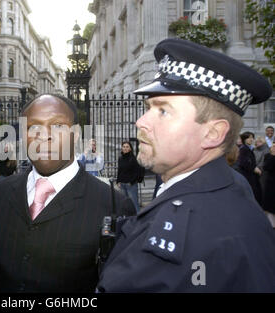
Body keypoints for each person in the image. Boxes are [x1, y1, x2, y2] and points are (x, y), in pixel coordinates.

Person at [97, 38, 275, 292]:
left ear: (213, 133)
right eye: (148, 107)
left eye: (163, 111)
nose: (141, 122)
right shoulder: (231, 187)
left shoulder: (192, 235)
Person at [0, 94, 135, 292]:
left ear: (75, 135)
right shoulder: (0, 192)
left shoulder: (113, 204)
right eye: (33, 127)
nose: (45, 135)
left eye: (58, 126)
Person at [236, 131, 262, 204]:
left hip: (249, 174)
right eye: (249, 138)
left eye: (252, 138)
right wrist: (254, 168)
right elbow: (243, 163)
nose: (251, 139)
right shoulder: (244, 149)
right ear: (244, 139)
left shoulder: (248, 148)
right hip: (247, 175)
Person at [116, 141, 141, 212]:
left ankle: (138, 220)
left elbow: (137, 172)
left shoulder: (133, 159)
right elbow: (119, 170)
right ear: (121, 148)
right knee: (125, 205)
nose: (125, 148)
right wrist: (118, 181)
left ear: (130, 149)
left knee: (134, 204)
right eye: (124, 147)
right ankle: (128, 220)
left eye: (127, 147)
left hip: (131, 185)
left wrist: (131, 182)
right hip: (122, 185)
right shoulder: (120, 158)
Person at [262, 144, 275, 228]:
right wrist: (273, 156)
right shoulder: (268, 156)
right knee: (271, 204)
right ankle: (271, 224)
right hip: (272, 183)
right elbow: (266, 167)